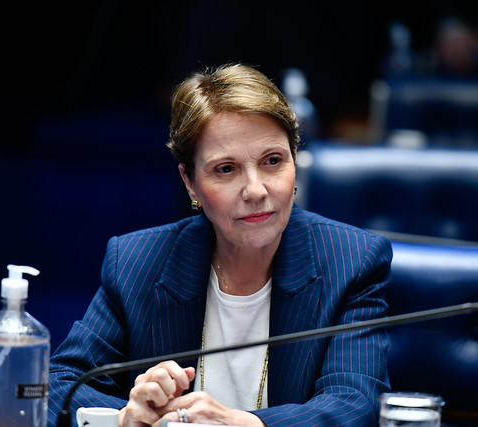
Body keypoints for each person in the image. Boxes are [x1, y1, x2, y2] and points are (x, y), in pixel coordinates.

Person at [47, 63, 392, 426]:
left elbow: (355, 404)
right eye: (226, 169)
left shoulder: (352, 261)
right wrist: (126, 418)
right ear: (190, 183)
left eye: (273, 161)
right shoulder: (137, 261)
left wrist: (244, 424)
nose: (256, 190)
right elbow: (57, 387)